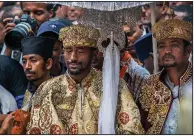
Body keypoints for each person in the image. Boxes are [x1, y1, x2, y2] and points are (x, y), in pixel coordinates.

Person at [26, 25, 144, 134]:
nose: (73, 58)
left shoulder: (114, 86)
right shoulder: (47, 89)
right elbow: (36, 129)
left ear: (94, 53)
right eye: (68, 51)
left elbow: (131, 128)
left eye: (80, 51)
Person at [138, 19, 192, 134]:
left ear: (188, 51)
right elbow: (140, 125)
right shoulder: (150, 84)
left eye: (174, 45)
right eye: (162, 46)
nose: (167, 50)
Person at [21, 36, 55, 111]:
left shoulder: (58, 92)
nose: (27, 66)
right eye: (24, 62)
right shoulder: (29, 91)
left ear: (48, 63)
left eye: (33, 60)